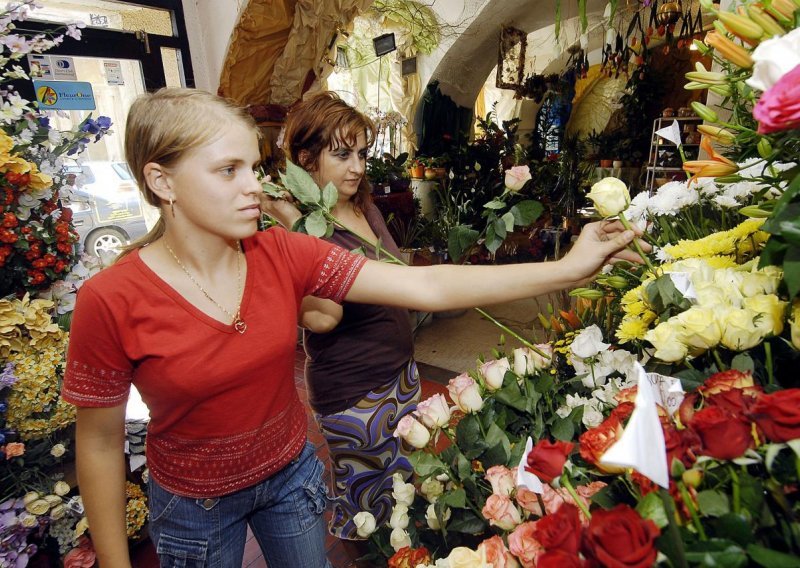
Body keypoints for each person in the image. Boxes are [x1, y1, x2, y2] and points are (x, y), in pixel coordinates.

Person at [62, 87, 645, 568]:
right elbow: (99, 442)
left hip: (291, 478)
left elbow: (428, 287)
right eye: (228, 170)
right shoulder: (110, 298)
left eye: (253, 165)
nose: (254, 186)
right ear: (162, 183)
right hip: (193, 504)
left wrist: (567, 267)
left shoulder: (284, 252)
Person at [266, 92, 418, 542]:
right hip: (355, 392)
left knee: (402, 497)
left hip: (400, 374)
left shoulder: (362, 206)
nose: (357, 167)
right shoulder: (288, 232)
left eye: (361, 154)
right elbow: (323, 318)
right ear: (305, 159)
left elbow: (398, 276)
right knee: (366, 515)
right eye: (342, 154)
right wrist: (296, 226)